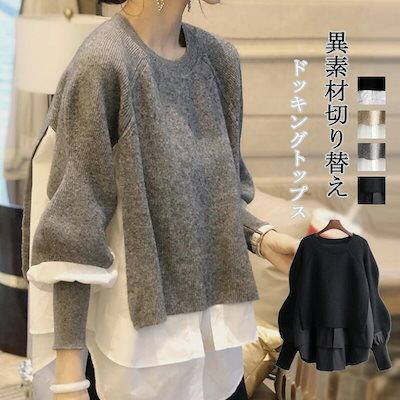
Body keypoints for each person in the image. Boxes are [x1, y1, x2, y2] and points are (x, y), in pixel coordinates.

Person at [21, 1, 300, 399]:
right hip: (140, 356)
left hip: (216, 346)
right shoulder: (103, 63)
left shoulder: (219, 60)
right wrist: (69, 384)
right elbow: (73, 232)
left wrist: (262, 238)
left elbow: (217, 192)